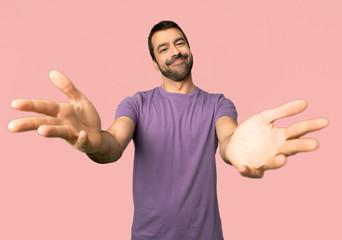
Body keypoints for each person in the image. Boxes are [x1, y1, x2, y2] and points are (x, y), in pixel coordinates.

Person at [8, 21, 328, 240]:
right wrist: (93, 142)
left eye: (180, 43)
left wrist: (237, 149)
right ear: (154, 62)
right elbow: (113, 143)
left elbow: (229, 137)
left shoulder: (218, 103)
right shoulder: (137, 104)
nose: (174, 51)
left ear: (190, 49)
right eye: (163, 49)